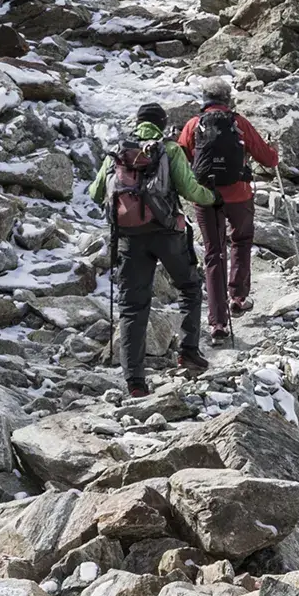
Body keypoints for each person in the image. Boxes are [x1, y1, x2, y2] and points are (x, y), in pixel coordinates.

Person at [86, 102, 214, 395]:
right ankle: (188, 351)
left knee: (132, 306)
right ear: (161, 123)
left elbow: (95, 194)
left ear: (138, 122)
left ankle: (134, 381)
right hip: (167, 234)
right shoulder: (169, 150)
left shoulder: (118, 152)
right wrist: (213, 197)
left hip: (129, 238)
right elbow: (190, 190)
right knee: (189, 287)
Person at [177, 79, 278, 346]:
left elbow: (181, 159)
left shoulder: (193, 125)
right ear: (228, 99)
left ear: (204, 99)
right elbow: (267, 158)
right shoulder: (239, 123)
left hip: (206, 195)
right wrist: (274, 152)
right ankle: (238, 297)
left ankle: (217, 322)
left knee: (213, 253)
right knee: (242, 240)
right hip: (239, 194)